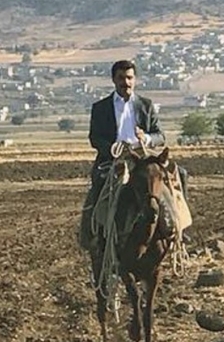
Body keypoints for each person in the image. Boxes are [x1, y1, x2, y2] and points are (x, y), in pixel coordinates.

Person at [78, 59, 189, 251]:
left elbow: (160, 136)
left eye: (129, 78)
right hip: (114, 159)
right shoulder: (100, 108)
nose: (126, 82)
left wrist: (145, 138)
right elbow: (95, 138)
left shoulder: (146, 105)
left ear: (134, 79)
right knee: (99, 184)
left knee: (181, 174)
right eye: (121, 78)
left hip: (143, 158)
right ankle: (93, 233)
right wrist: (114, 148)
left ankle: (179, 229)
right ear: (113, 80)